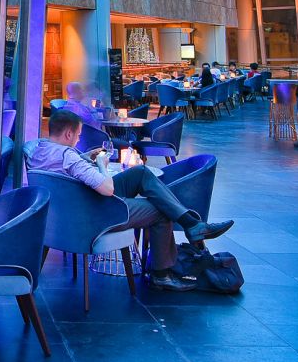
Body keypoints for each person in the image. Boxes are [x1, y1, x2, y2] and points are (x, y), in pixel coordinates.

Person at [25, 109, 234, 291]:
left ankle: (191, 224)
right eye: (78, 135)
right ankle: (162, 275)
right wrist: (101, 165)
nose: (78, 139)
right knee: (160, 210)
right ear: (69, 133)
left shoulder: (38, 150)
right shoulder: (68, 157)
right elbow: (107, 189)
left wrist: (84, 157)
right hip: (93, 215)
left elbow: (62, 172)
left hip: (68, 211)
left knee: (140, 173)